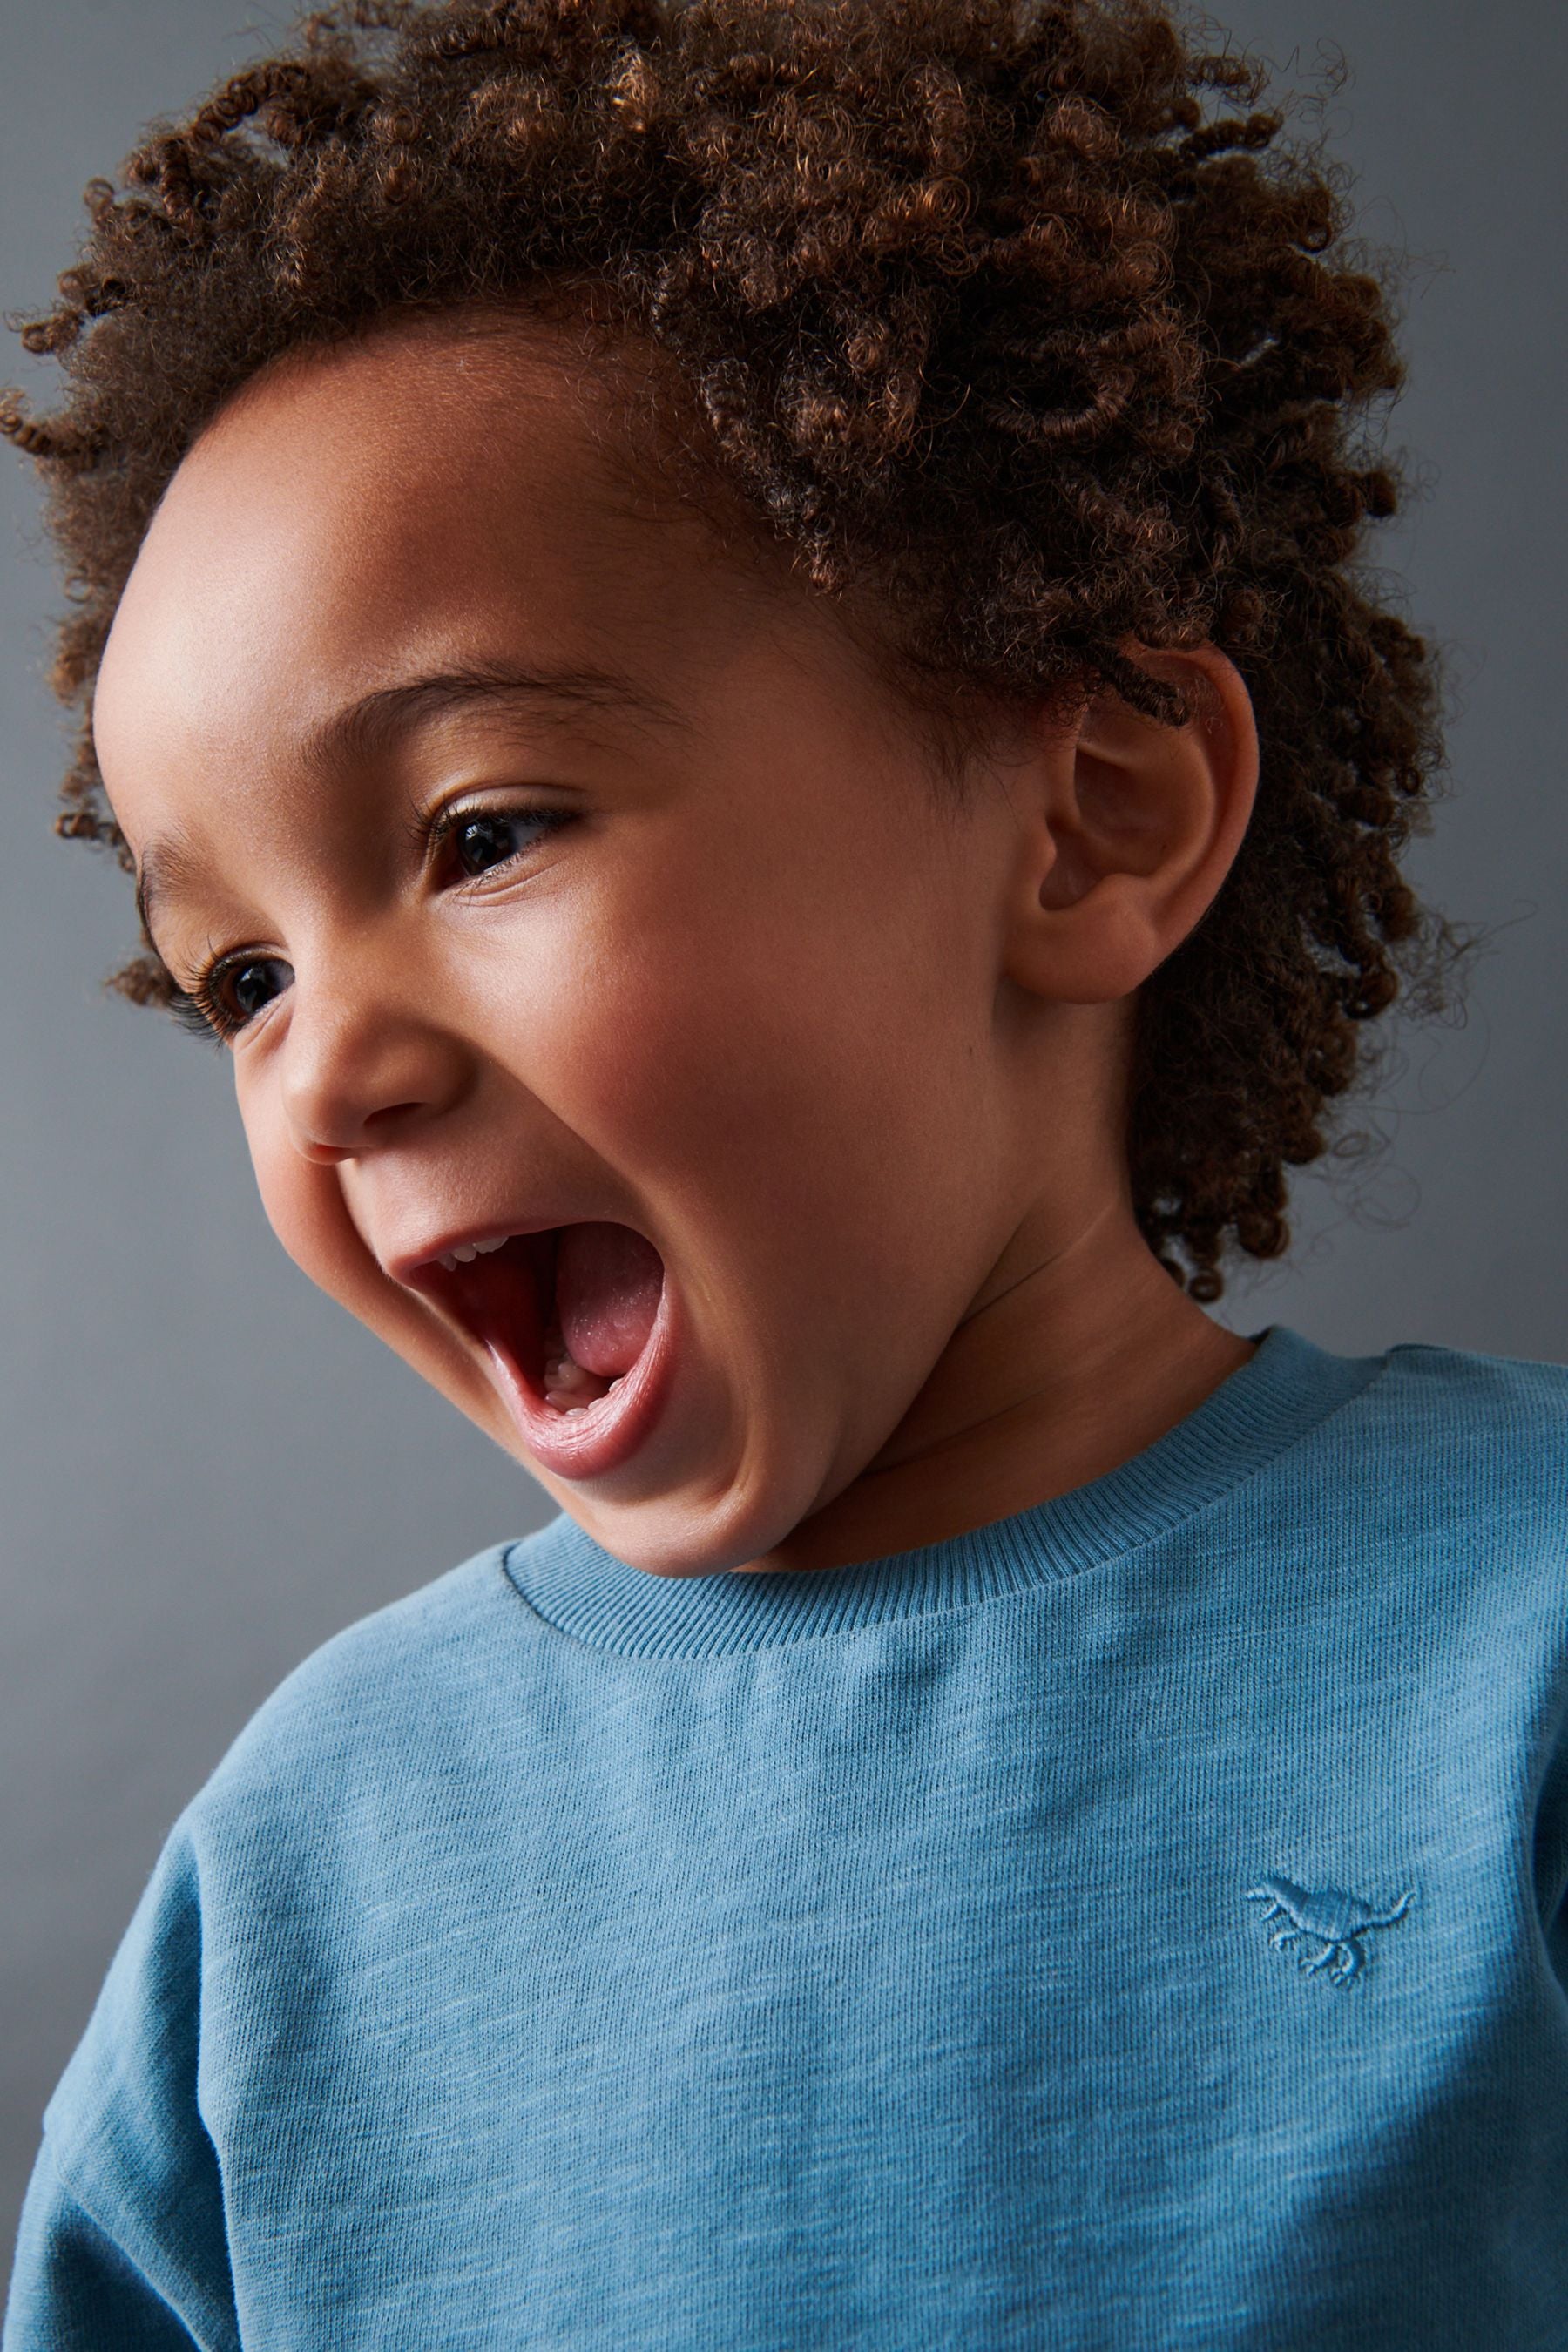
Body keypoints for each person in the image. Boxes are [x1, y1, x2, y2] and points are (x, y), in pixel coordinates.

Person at [3, 1, 1564, 2342]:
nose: (322, 1066)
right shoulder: (309, 1862)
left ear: (1095, 814)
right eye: (234, 977)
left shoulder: (1523, 1644)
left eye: (480, 831)